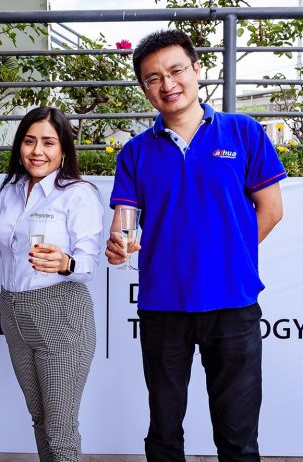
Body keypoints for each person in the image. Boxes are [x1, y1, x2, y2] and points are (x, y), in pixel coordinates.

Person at [106, 29, 285, 462]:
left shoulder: (243, 132)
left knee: (238, 438)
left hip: (233, 304)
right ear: (144, 88)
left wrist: (227, 256)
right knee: (164, 433)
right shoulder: (134, 153)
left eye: (176, 71)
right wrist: (118, 244)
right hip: (163, 306)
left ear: (196, 69)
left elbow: (272, 210)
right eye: (153, 78)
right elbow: (124, 225)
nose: (167, 84)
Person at [0, 106, 103, 462]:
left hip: (60, 313)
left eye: (48, 142)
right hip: (13, 311)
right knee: (39, 418)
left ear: (64, 150)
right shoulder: (10, 190)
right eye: (29, 141)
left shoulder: (77, 193)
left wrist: (65, 262)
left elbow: (89, 262)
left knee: (60, 429)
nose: (37, 151)